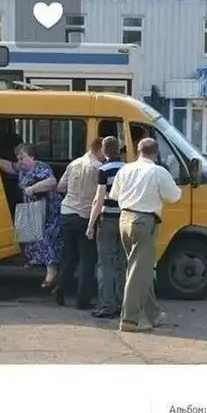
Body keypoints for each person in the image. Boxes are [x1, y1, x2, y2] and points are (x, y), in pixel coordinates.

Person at [109, 137, 182, 333]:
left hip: (124, 219)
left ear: (137, 151)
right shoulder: (158, 171)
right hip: (144, 222)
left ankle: (154, 314)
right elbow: (174, 197)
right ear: (156, 153)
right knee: (137, 273)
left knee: (140, 269)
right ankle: (129, 319)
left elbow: (114, 195)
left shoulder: (125, 169)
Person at [0, 144, 63, 289]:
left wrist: (33, 189)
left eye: (22, 157)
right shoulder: (23, 168)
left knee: (47, 240)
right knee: (33, 236)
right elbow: (10, 166)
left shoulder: (41, 167)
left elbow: (52, 182)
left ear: (32, 157)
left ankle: (51, 274)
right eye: (18, 158)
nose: (20, 161)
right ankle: (37, 260)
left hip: (48, 211)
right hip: (33, 210)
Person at [52, 138, 104, 309]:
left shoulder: (74, 164)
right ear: (100, 150)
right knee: (88, 259)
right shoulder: (98, 168)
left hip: (67, 213)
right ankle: (83, 300)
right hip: (84, 216)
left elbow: (60, 187)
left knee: (71, 256)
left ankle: (59, 287)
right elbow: (101, 194)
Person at [86, 135, 126, 319]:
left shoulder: (103, 170)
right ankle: (122, 303)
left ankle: (107, 305)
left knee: (105, 264)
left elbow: (98, 199)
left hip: (108, 220)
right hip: (124, 220)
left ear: (104, 151)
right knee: (121, 263)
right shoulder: (128, 169)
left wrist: (91, 224)